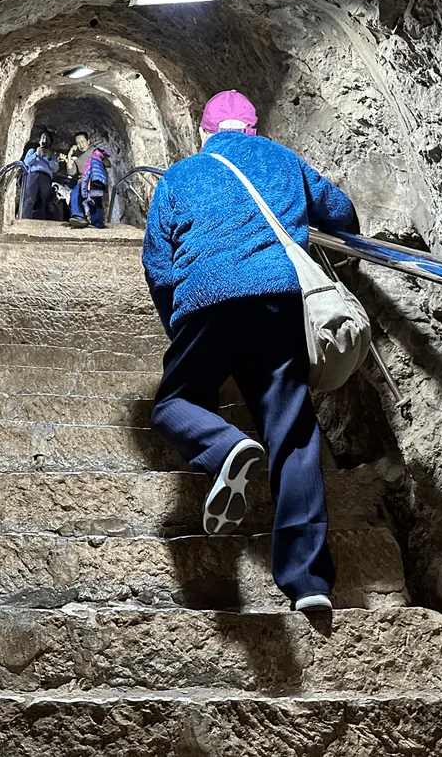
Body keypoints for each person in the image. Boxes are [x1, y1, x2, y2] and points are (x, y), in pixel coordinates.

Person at [141, 90, 359, 614]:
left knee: (173, 404)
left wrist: (182, 324)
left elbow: (158, 264)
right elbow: (342, 213)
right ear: (254, 129)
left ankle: (224, 446)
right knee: (293, 433)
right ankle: (308, 582)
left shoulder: (180, 175)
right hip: (279, 302)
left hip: (208, 301)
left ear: (204, 131)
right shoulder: (284, 158)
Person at [69, 134, 111, 229]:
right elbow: (71, 172)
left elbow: (108, 164)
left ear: (88, 141)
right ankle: (78, 217)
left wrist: (102, 159)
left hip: (94, 180)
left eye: (82, 142)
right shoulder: (78, 160)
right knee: (75, 193)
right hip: (82, 181)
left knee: (95, 200)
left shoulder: (95, 151)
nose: (81, 145)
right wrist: (69, 155)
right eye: (78, 143)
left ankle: (97, 223)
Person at [21, 130, 59, 220]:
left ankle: (48, 222)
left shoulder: (53, 155)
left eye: (47, 138)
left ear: (50, 142)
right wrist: (35, 154)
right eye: (43, 137)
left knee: (47, 199)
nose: (44, 139)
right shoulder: (32, 151)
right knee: (29, 198)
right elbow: (26, 163)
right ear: (39, 140)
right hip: (33, 174)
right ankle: (24, 219)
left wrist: (49, 158)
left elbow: (55, 168)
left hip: (45, 176)